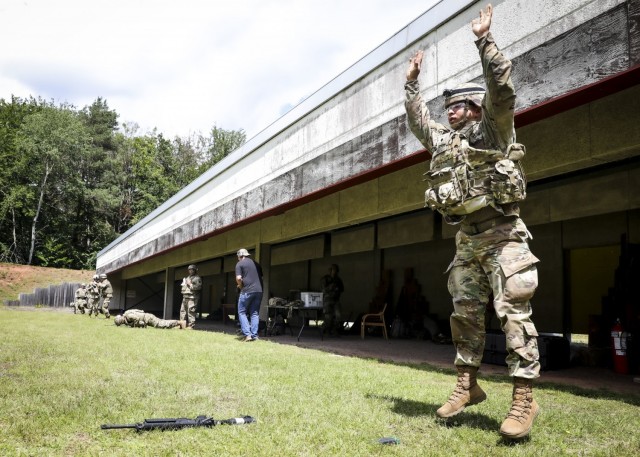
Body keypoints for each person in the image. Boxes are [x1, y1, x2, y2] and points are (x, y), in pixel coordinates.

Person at [404, 4, 540, 439]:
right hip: (468, 240)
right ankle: (468, 384)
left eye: (458, 107)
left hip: (503, 237)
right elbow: (419, 122)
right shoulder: (445, 143)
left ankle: (524, 399)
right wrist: (411, 86)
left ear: (474, 108)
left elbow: (502, 90)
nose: (450, 114)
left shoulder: (494, 131)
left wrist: (484, 41)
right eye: (448, 108)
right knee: (464, 315)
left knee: (513, 313)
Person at [235, 248, 263, 342]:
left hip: (247, 291)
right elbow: (261, 277)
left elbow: (239, 278)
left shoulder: (240, 264)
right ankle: (255, 336)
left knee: (241, 311)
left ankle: (248, 335)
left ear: (239, 256)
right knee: (254, 313)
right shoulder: (257, 264)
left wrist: (240, 286)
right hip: (259, 291)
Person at [320, 264, 344, 336]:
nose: (335, 271)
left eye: (336, 270)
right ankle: (326, 329)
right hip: (327, 300)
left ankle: (335, 329)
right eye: (333, 269)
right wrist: (330, 287)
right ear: (330, 270)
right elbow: (323, 290)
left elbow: (342, 289)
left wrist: (336, 289)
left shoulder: (338, 280)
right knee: (328, 317)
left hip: (336, 300)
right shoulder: (325, 279)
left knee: (338, 315)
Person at [114, 309, 186, 329]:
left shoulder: (128, 316)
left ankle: (180, 322)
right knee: (161, 324)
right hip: (147, 318)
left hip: (148, 318)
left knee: (161, 324)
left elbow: (137, 318)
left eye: (121, 323)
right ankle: (178, 325)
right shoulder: (126, 314)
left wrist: (135, 326)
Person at [180, 264, 202, 329]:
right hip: (185, 297)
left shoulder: (197, 278)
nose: (190, 271)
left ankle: (191, 326)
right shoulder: (187, 278)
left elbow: (198, 287)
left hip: (192, 298)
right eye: (189, 270)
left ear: (195, 270)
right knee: (182, 311)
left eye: (192, 269)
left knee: (191, 311)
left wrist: (190, 284)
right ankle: (182, 324)